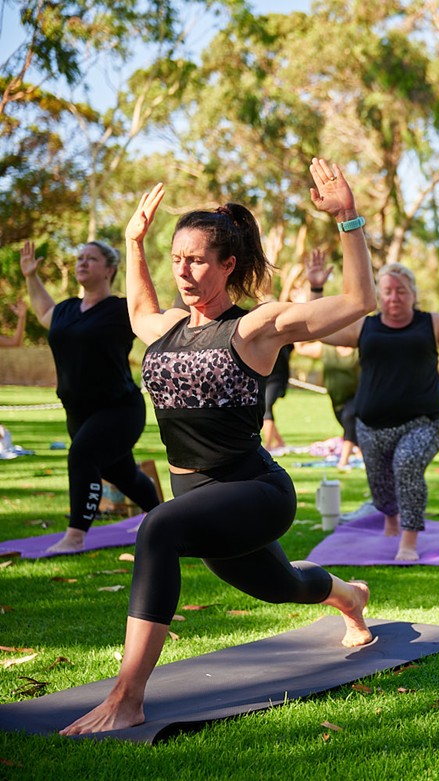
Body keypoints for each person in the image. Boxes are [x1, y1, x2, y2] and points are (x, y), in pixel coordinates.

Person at [60, 157, 375, 736]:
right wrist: (133, 242)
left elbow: (358, 302)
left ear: (228, 265)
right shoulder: (168, 327)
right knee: (285, 586)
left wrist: (349, 218)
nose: (183, 270)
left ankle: (127, 698)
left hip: (254, 490)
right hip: (198, 497)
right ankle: (349, 596)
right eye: (176, 259)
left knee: (157, 528)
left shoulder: (255, 329)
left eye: (197, 259)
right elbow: (137, 310)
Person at [312, 242, 439, 561]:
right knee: (380, 487)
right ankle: (390, 518)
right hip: (370, 425)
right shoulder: (365, 325)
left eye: (401, 291)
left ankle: (409, 540)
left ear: (413, 294)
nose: (394, 297)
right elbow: (320, 330)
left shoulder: (431, 324)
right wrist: (316, 288)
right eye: (388, 290)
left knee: (406, 465)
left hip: (424, 422)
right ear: (379, 294)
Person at [20, 239, 163, 554]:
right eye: (80, 257)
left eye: (91, 259)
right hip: (78, 412)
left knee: (83, 457)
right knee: (121, 472)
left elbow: (159, 320)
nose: (82, 263)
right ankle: (160, 515)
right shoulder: (68, 308)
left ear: (110, 269)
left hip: (119, 409)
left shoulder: (122, 310)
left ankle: (75, 536)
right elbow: (44, 313)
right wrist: (32, 276)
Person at [297, 249, 362, 469]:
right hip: (338, 404)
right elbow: (304, 342)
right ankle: (362, 454)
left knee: (353, 416)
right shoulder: (326, 348)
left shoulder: (360, 347)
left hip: (363, 404)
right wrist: (315, 289)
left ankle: (343, 461)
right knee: (351, 425)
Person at [261, 343, 293, 453]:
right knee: (263, 408)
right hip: (264, 377)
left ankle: (268, 445)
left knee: (266, 408)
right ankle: (279, 441)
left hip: (277, 378)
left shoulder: (283, 340)